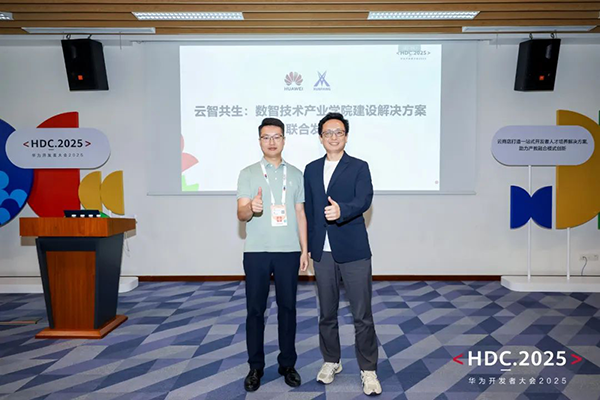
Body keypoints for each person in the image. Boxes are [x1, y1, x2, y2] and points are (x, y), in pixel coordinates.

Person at [303, 113, 381, 395]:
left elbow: (364, 199)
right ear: (320, 137)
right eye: (328, 132)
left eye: (338, 132)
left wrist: (342, 211)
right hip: (322, 252)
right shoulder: (311, 169)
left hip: (353, 250)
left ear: (346, 136)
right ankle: (331, 360)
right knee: (327, 312)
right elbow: (310, 210)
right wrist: (308, 248)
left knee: (362, 314)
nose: (333, 137)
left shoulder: (359, 166)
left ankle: (368, 369)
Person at [236, 117, 309, 392]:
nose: (271, 142)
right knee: (255, 311)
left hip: (288, 251)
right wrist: (251, 208)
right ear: (259, 141)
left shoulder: (296, 174)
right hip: (256, 252)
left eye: (276, 136)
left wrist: (304, 249)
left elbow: (300, 214)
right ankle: (255, 367)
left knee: (288, 308)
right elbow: (241, 213)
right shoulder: (248, 173)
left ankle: (287, 364)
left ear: (284, 140)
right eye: (266, 137)